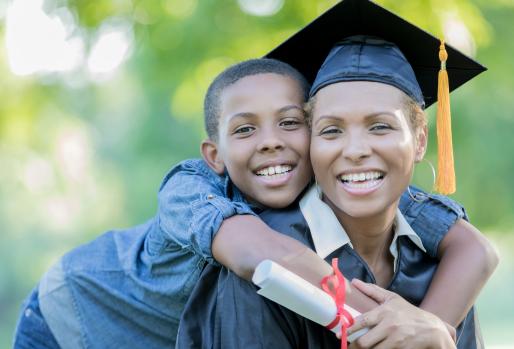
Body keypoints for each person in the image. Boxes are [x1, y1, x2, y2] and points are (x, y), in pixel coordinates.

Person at [13, 5, 496, 348]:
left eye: (290, 123)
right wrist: (396, 328)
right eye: (245, 129)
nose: (271, 142)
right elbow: (263, 256)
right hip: (74, 318)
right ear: (214, 153)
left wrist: (431, 325)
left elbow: (475, 248)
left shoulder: (351, 182)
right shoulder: (192, 188)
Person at [175, 1, 492, 348]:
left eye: (380, 126)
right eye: (331, 131)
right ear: (310, 143)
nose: (355, 150)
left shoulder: (444, 270)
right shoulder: (263, 274)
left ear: (419, 141)